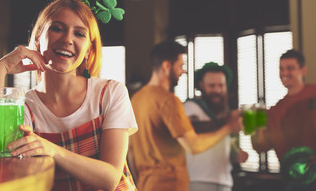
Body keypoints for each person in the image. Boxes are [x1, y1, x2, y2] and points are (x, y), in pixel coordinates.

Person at [0, 0, 138, 191]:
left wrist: (52, 150)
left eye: (79, 34)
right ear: (38, 38)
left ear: (89, 49)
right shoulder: (24, 105)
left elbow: (110, 179)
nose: (67, 39)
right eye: (57, 28)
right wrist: (0, 67)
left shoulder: (110, 92)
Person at [128, 41, 243, 191]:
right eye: (180, 66)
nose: (183, 71)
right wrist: (228, 128)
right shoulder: (169, 100)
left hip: (145, 184)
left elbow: (130, 150)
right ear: (166, 66)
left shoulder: (136, 99)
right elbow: (193, 146)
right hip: (171, 184)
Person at [251, 49, 316, 190]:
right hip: (292, 181)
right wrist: (256, 125)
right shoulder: (275, 110)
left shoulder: (313, 94)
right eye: (281, 69)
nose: (284, 73)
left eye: (290, 68)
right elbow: (261, 146)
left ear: (303, 70)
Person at [183, 62, 248, 191]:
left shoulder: (226, 112)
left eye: (221, 85)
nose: (217, 90)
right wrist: (228, 122)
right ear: (201, 85)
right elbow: (193, 129)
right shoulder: (191, 106)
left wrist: (237, 154)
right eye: (212, 86)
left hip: (224, 182)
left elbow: (227, 143)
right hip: (197, 180)